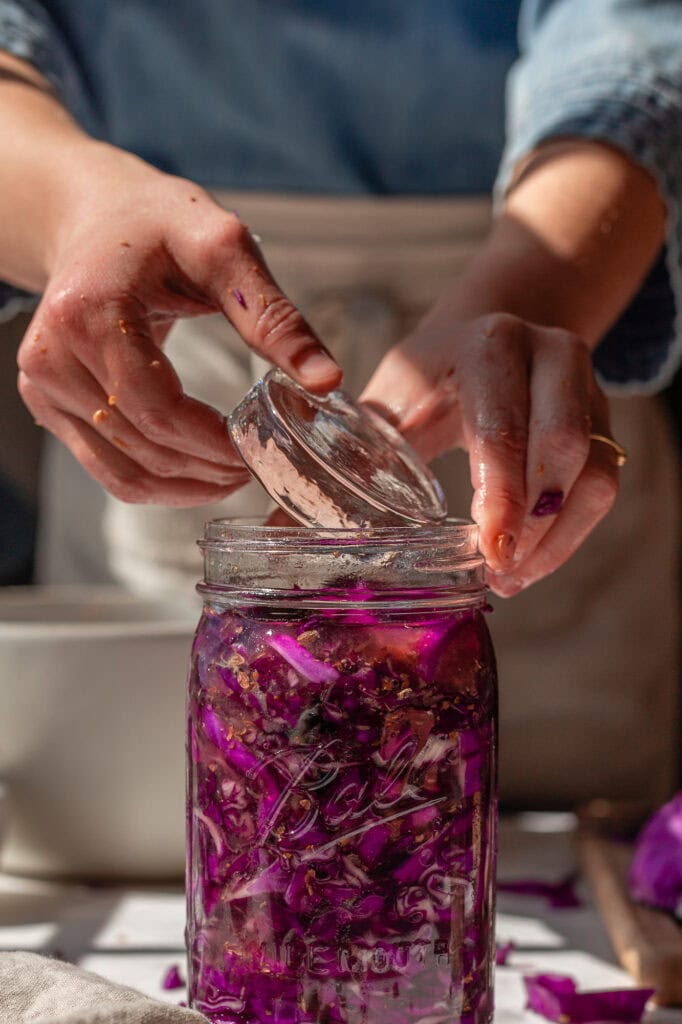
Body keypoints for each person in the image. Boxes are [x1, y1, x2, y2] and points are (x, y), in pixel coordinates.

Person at [0, 0, 679, 807]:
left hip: (546, 315)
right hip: (165, 348)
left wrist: (540, 293)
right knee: (141, 815)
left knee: (578, 829)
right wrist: (71, 208)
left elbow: (642, 35)